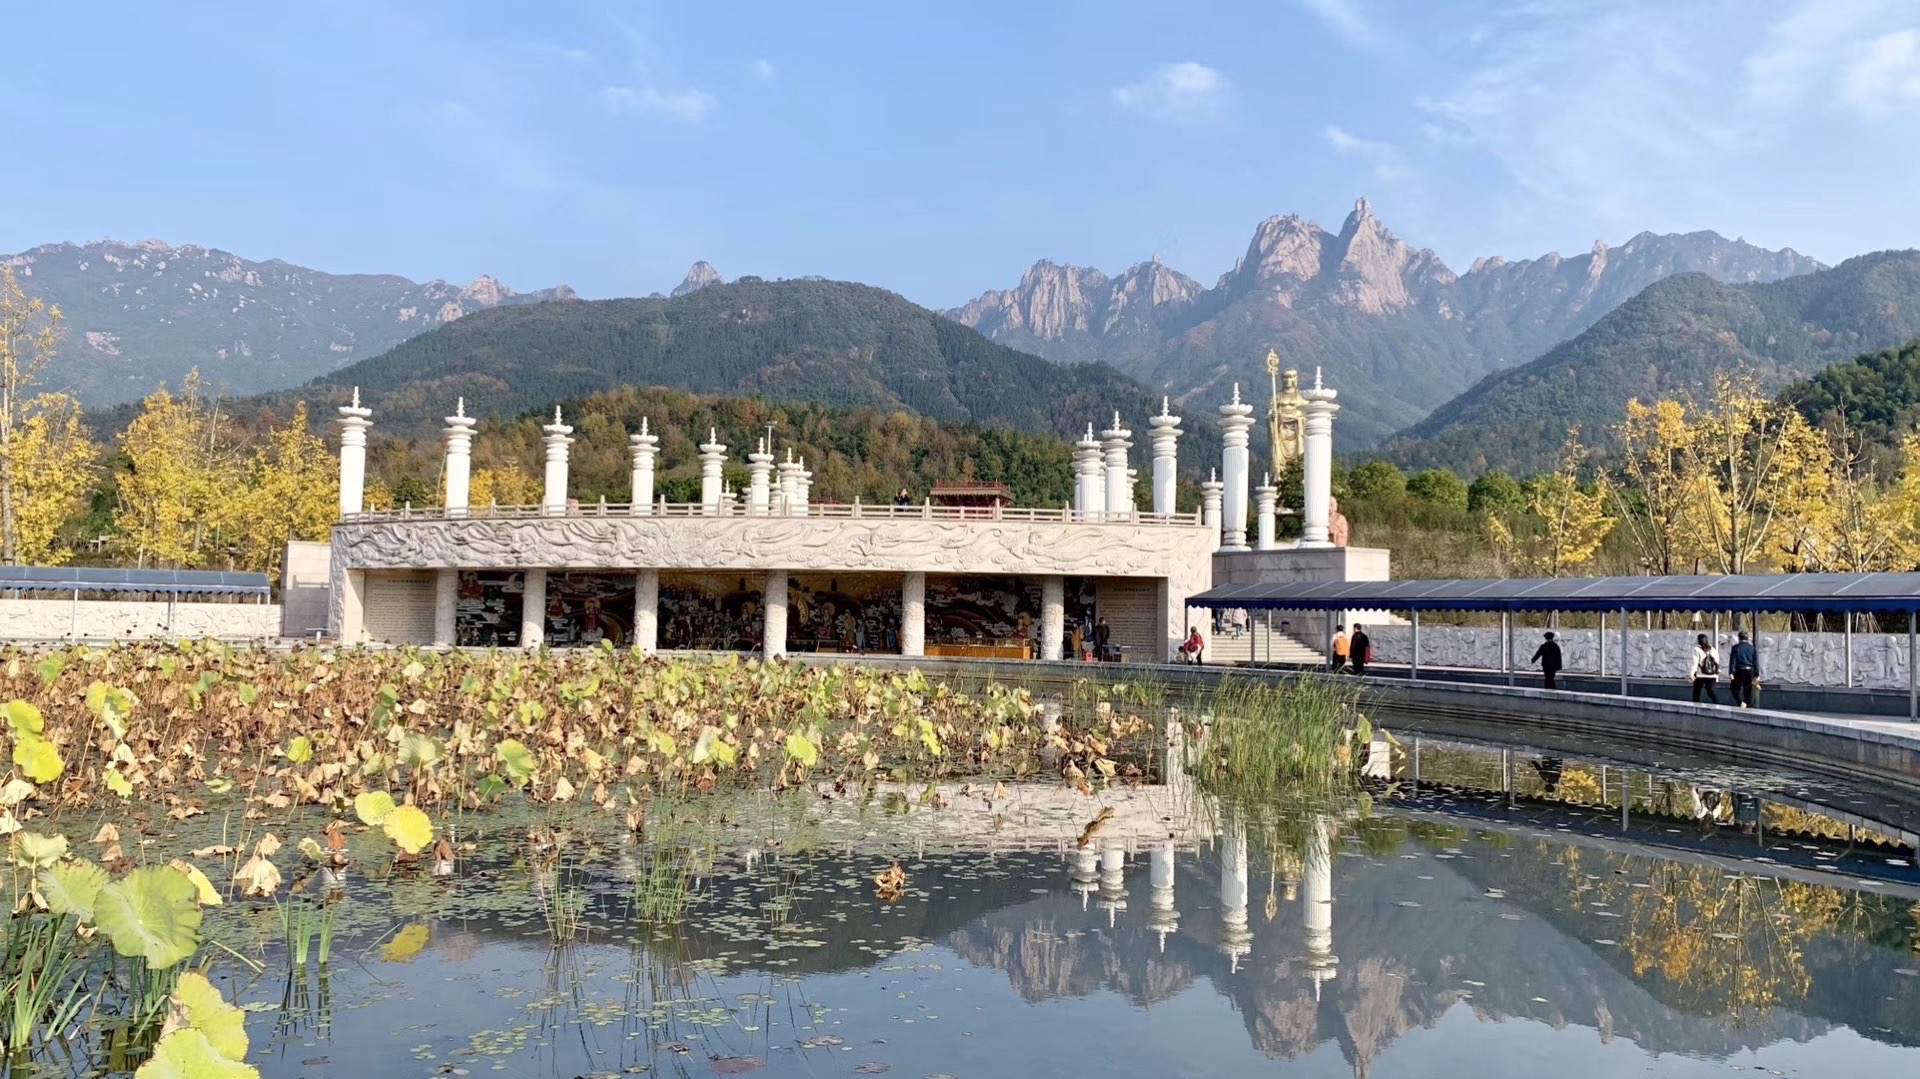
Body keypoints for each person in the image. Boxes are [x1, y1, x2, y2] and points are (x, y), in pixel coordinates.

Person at [1729, 630, 1760, 708]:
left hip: (1739, 670)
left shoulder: (1735, 647)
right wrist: (1757, 673)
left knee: (1734, 688)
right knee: (1748, 688)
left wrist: (1731, 672)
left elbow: (1733, 660)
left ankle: (1740, 702)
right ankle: (1747, 703)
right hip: (1749, 670)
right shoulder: (1752, 648)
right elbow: (1755, 661)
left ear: (1739, 638)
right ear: (1747, 638)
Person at [1688, 633, 1720, 704]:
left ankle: (1696, 706)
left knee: (1697, 692)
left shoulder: (1696, 649)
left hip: (1701, 674)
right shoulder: (1713, 649)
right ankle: (1718, 704)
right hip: (1712, 674)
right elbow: (1717, 662)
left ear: (1698, 641)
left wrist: (1691, 674)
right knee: (1711, 691)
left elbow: (1695, 663)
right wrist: (1717, 673)